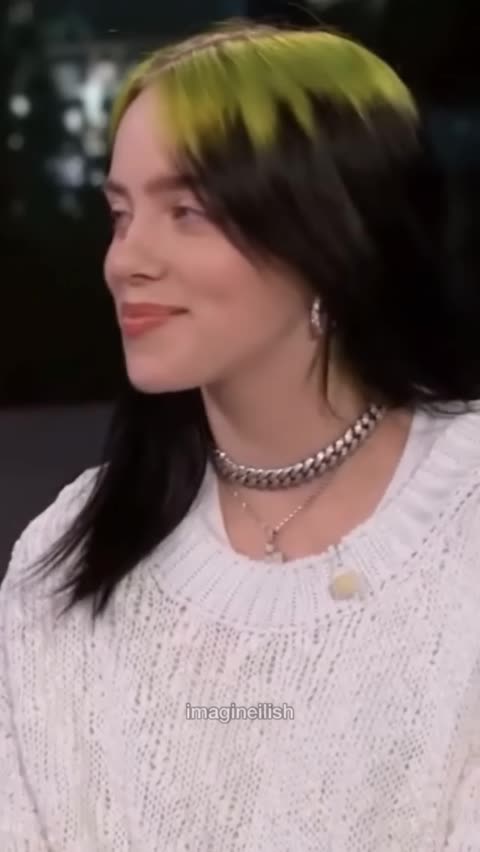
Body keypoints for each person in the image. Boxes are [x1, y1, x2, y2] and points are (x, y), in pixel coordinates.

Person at [1, 20, 480, 852]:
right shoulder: (61, 558)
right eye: (120, 215)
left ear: (328, 238)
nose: (125, 261)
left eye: (186, 211)